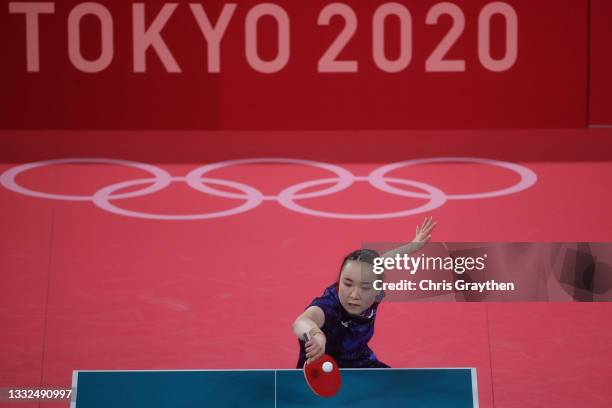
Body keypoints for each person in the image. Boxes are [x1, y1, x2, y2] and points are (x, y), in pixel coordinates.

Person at [292, 217, 437, 368]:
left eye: (365, 287)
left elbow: (381, 263)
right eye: (347, 283)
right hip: (321, 371)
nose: (354, 295)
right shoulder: (330, 305)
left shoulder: (376, 293)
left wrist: (411, 247)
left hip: (361, 364)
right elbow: (302, 322)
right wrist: (316, 335)